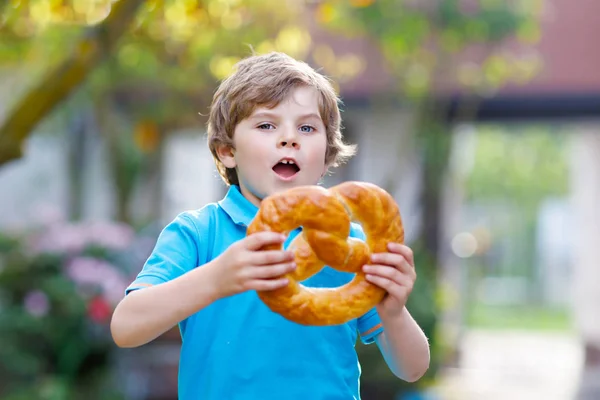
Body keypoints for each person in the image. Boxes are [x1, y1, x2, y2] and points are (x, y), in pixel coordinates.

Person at [110, 51, 430, 400]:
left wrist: (393, 311)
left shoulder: (350, 246)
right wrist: (217, 279)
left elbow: (412, 368)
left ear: (326, 158)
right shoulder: (199, 233)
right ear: (227, 152)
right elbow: (126, 327)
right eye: (266, 125)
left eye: (307, 127)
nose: (290, 138)